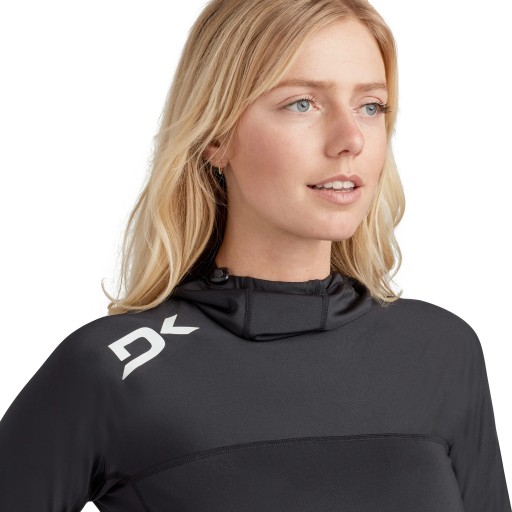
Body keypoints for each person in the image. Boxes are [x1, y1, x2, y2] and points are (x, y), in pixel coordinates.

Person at [0, 0, 510, 510]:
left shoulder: (441, 350)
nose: (351, 139)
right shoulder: (116, 366)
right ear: (216, 137)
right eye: (302, 104)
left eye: (370, 106)